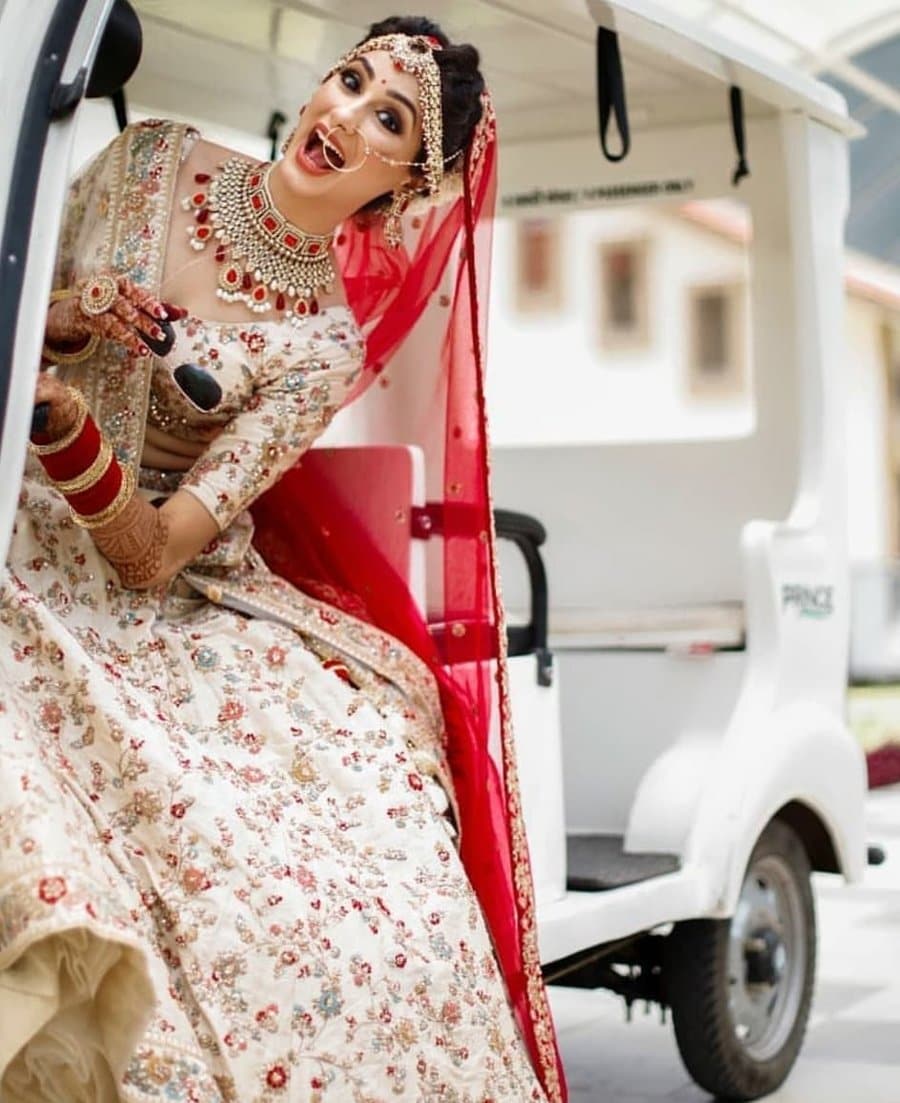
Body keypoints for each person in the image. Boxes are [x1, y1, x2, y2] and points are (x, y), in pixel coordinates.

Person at [0, 14, 567, 1103]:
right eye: (350, 81)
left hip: (135, 584)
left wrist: (66, 426)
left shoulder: (321, 348)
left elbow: (152, 555)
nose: (346, 115)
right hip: (4, 489)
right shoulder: (150, 155)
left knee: (318, 846)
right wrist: (78, 320)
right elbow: (23, 299)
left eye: (388, 118)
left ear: (406, 185)